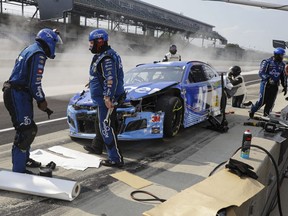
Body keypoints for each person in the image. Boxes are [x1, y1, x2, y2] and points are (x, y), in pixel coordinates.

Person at [2, 28, 62, 174]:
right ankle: (18, 170)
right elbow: (34, 83)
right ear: (49, 41)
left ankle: (24, 160)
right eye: (55, 43)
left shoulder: (30, 48)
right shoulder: (39, 54)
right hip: (17, 94)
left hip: (19, 93)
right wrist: (41, 100)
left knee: (29, 128)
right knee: (26, 132)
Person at [83, 29, 125, 168]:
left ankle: (115, 158)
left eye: (92, 42)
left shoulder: (107, 57)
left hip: (106, 99)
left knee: (106, 128)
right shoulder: (102, 55)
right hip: (101, 99)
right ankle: (97, 147)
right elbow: (102, 75)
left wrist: (108, 97)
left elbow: (110, 78)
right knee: (100, 123)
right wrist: (93, 81)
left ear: (99, 41)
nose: (90, 45)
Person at [249, 47, 287, 118]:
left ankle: (266, 115)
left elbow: (283, 76)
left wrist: (285, 86)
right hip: (266, 84)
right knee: (262, 101)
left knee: (271, 102)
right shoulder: (267, 62)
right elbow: (261, 72)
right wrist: (268, 78)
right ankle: (252, 110)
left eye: (283, 55)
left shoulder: (282, 64)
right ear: (276, 55)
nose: (282, 57)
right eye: (281, 55)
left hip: (275, 86)